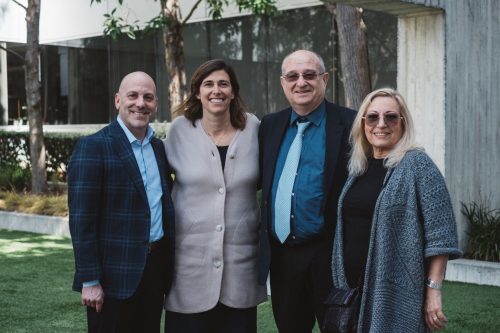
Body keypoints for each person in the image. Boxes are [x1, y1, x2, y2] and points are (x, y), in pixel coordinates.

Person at [330, 88, 462, 332]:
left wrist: (433, 291)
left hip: (394, 292)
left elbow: (440, 235)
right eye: (372, 117)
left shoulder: (418, 165)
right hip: (350, 290)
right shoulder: (359, 167)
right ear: (363, 124)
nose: (381, 124)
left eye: (391, 117)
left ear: (403, 123)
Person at [163, 59, 266, 333]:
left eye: (223, 84)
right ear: (197, 92)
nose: (216, 90)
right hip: (188, 272)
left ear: (233, 92)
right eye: (208, 84)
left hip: (240, 270)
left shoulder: (255, 129)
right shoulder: (178, 131)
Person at [68, 71, 175, 333]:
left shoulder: (159, 148)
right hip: (111, 279)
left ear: (156, 104)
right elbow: (82, 219)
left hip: (154, 274)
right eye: (133, 96)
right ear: (118, 100)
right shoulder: (93, 147)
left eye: (148, 97)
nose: (141, 103)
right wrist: (90, 280)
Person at [258, 49, 356, 332]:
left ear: (324, 79)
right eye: (292, 76)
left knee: (337, 327)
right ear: (283, 83)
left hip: (328, 252)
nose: (301, 82)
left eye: (309, 75)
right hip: (282, 256)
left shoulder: (350, 123)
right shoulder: (270, 125)